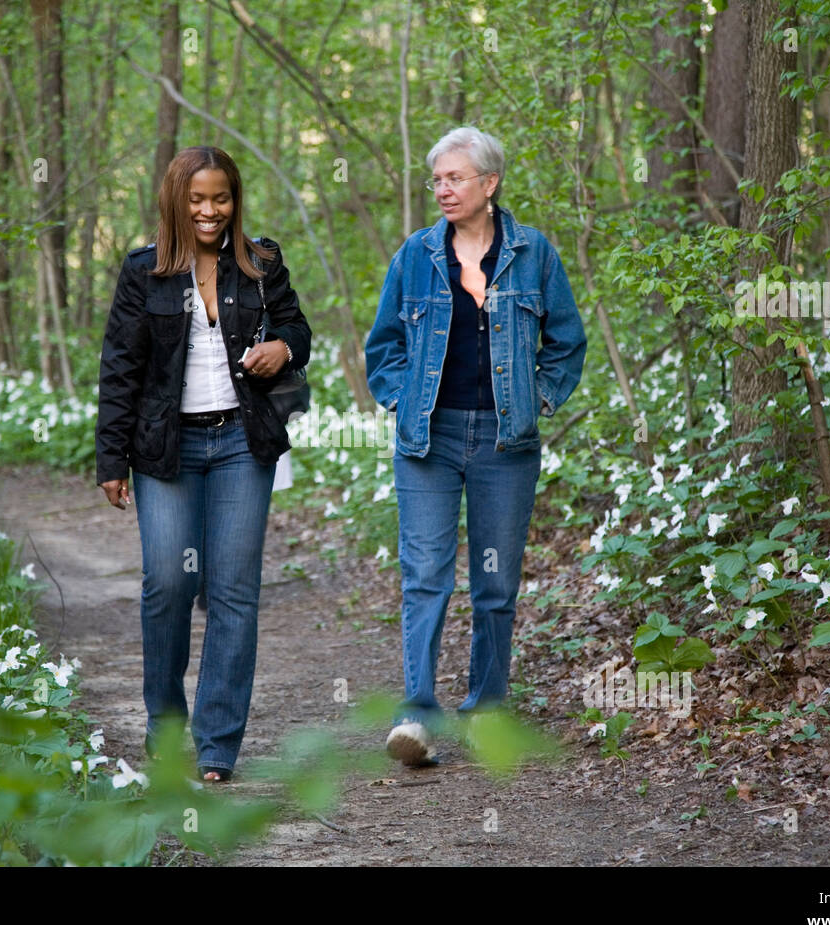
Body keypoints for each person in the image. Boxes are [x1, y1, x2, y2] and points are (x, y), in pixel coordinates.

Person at [364, 127, 586, 766]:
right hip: (427, 440)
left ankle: (486, 710)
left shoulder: (532, 253)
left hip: (504, 443)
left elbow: (566, 342)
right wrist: (402, 401)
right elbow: (384, 348)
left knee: (494, 583)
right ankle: (416, 716)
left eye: (455, 178)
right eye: (437, 179)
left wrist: (537, 399)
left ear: (489, 183)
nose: (443, 189)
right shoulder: (415, 255)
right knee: (425, 577)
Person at [96, 146, 311, 782]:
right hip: (167, 449)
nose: (209, 210)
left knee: (233, 591)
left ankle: (216, 745)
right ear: (176, 202)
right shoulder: (145, 272)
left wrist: (281, 346)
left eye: (220, 198)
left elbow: (299, 330)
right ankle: (165, 728)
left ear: (234, 200)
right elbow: (120, 368)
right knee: (168, 583)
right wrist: (111, 457)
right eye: (196, 200)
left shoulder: (262, 262)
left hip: (244, 443)